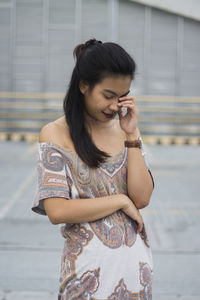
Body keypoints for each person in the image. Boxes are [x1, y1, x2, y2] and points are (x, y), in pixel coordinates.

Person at [31, 38, 154, 300]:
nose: (114, 106)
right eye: (108, 96)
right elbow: (57, 210)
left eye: (122, 96)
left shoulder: (126, 130)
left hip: (136, 275)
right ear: (84, 86)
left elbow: (141, 198)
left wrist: (131, 135)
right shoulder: (55, 134)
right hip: (86, 278)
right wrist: (120, 200)